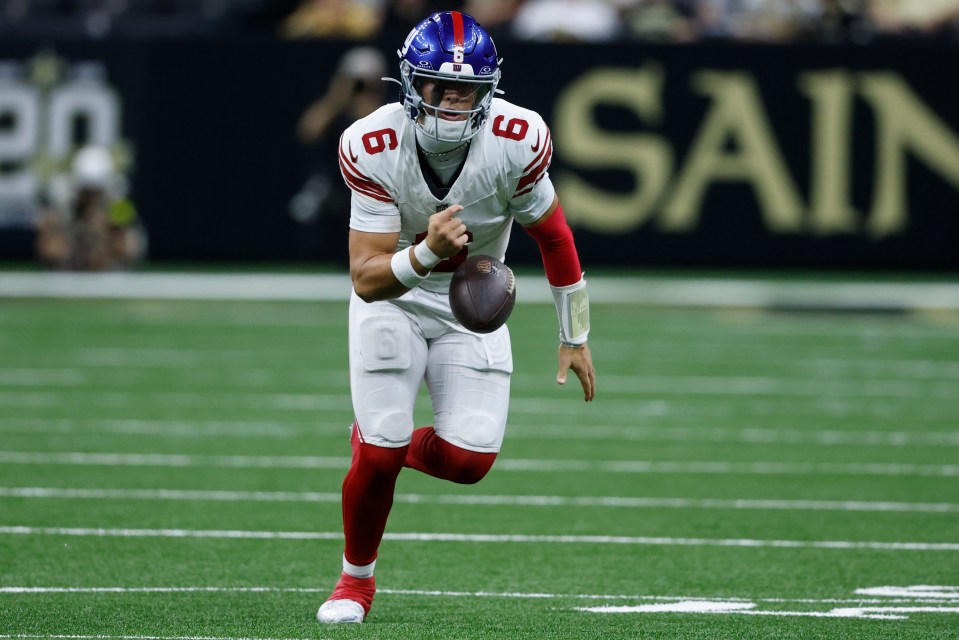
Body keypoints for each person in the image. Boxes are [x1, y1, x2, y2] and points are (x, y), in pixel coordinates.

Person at [317, 10, 596, 625]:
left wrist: (574, 334)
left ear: (487, 92)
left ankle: (373, 445)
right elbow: (366, 277)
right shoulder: (374, 142)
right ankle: (354, 583)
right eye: (439, 87)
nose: (451, 102)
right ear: (411, 84)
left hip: (471, 308)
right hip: (392, 299)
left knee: (469, 461)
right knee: (385, 448)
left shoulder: (515, 139)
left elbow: (554, 236)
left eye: (465, 89)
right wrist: (425, 254)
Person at [35, 144, 146, 271]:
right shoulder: (62, 208)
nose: (91, 199)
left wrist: (104, 235)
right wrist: (80, 241)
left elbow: (131, 250)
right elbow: (49, 251)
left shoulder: (119, 208)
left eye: (96, 192)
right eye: (87, 192)